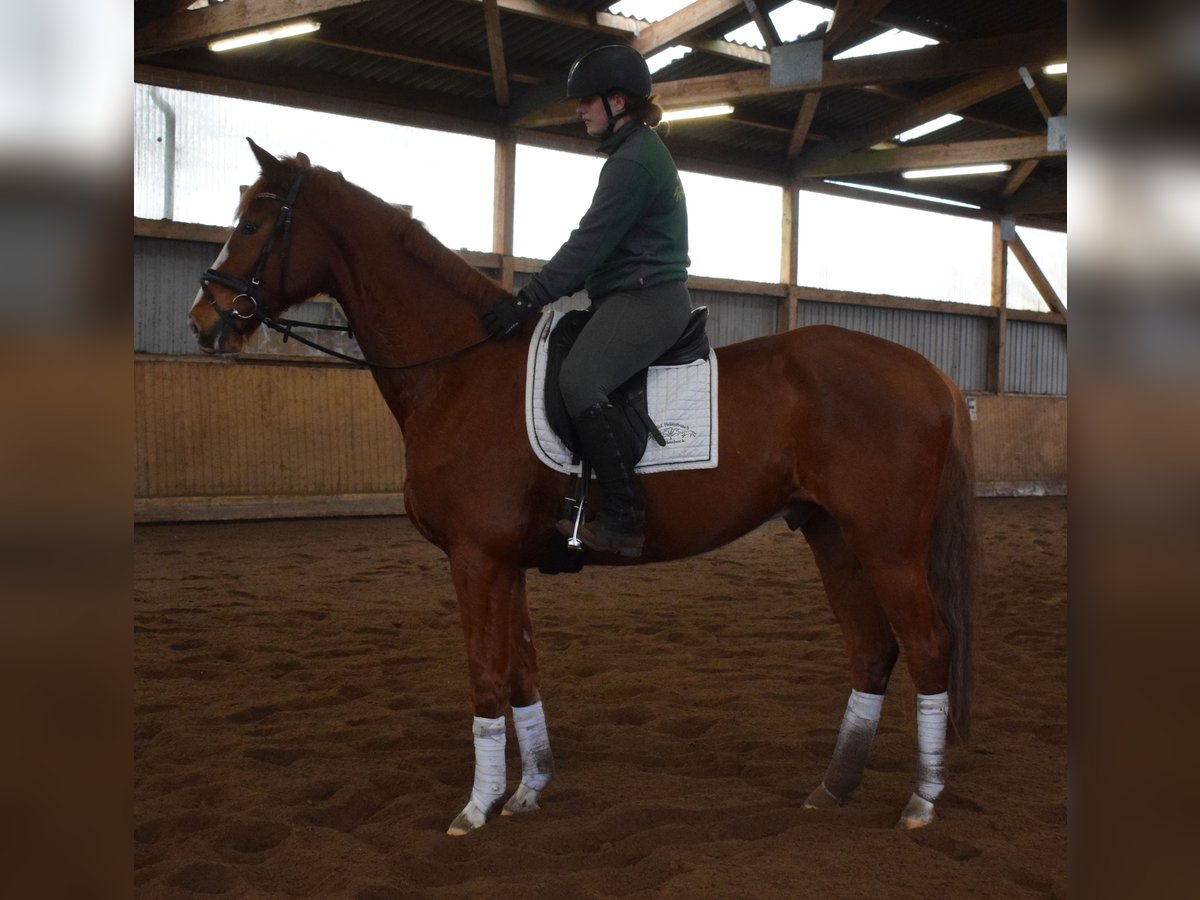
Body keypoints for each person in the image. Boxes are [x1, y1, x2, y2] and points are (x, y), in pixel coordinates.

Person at [481, 44, 693, 558]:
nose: (579, 110)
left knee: (580, 379)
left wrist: (527, 299)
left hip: (649, 300)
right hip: (625, 295)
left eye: (586, 102)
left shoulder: (635, 160)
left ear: (617, 101)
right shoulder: (631, 154)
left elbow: (587, 243)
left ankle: (625, 515)